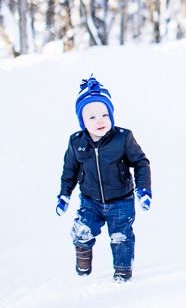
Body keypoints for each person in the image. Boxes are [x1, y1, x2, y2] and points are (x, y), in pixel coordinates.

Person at [57, 76, 152, 282]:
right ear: (82, 121)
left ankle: (122, 273)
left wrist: (143, 189)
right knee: (82, 231)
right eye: (91, 117)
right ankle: (83, 264)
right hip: (90, 201)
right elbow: (69, 170)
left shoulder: (123, 138)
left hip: (121, 201)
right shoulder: (77, 142)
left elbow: (141, 162)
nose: (100, 120)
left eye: (104, 114)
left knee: (121, 238)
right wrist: (64, 195)